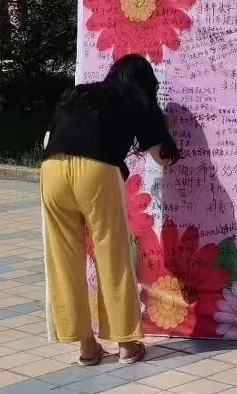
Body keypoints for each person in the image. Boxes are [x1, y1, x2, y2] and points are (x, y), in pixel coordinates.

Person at [41, 54, 179, 365]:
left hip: (51, 169)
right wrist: (167, 128)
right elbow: (163, 158)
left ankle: (87, 348)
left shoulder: (77, 93)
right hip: (96, 172)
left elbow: (50, 136)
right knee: (112, 253)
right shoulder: (136, 101)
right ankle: (127, 344)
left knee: (63, 258)